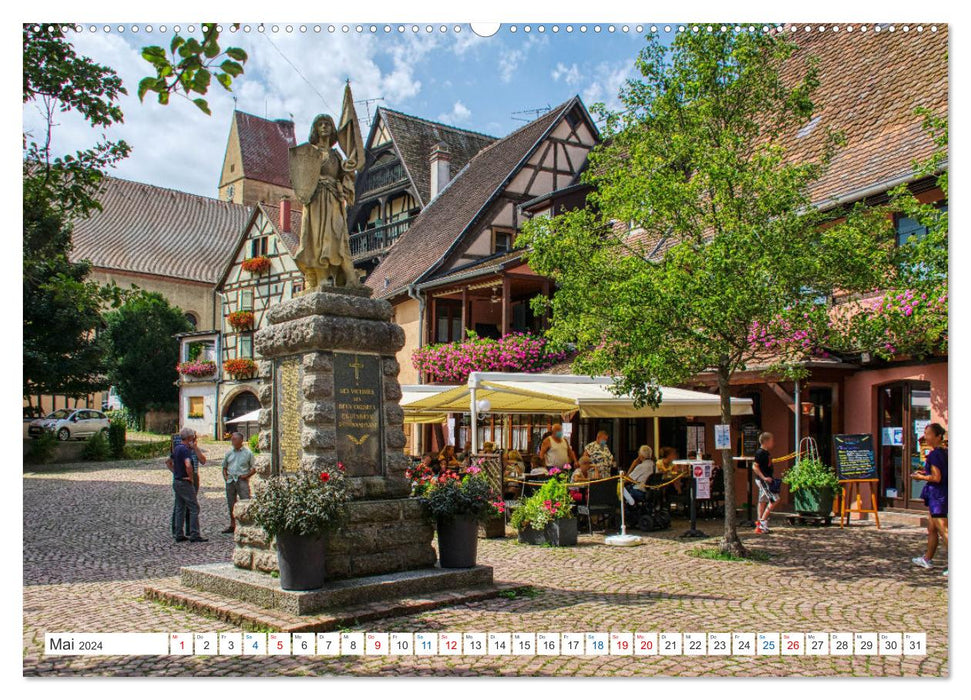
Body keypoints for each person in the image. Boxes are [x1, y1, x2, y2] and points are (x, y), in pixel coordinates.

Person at [911, 423, 948, 576]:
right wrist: (925, 471)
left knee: (944, 530)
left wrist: (921, 477)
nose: (926, 437)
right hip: (942, 494)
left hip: (937, 496)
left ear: (938, 436)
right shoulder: (944, 452)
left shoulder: (934, 455)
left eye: (928, 434)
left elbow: (936, 477)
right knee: (932, 528)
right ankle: (927, 558)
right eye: (925, 434)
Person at [167, 430, 207, 540]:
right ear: (189, 438)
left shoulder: (177, 448)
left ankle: (179, 534)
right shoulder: (185, 450)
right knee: (194, 507)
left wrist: (176, 473)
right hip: (185, 481)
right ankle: (194, 534)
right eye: (193, 438)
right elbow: (188, 465)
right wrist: (190, 478)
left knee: (180, 507)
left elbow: (168, 462)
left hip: (177, 480)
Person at [221, 432, 256, 534]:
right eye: (232, 439)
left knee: (245, 501)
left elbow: (254, 468)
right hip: (231, 480)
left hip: (242, 480)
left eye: (234, 439)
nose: (232, 441)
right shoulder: (229, 453)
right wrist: (226, 477)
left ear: (241, 441)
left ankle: (247, 524)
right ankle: (233, 524)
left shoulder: (248, 453)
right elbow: (224, 466)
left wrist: (246, 476)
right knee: (231, 502)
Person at [752, 431, 780, 534]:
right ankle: (762, 522)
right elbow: (755, 466)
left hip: (767, 479)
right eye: (772, 440)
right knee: (775, 499)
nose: (773, 442)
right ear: (766, 441)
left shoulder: (766, 452)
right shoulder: (760, 453)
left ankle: (760, 525)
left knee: (762, 501)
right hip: (764, 480)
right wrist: (764, 478)